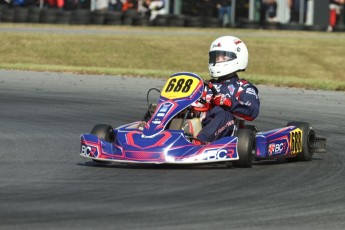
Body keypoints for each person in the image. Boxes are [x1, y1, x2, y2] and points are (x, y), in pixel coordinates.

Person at [195, 36, 260, 143]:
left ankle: (198, 143)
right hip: (200, 124)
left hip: (226, 130)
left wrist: (228, 103)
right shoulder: (205, 85)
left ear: (238, 58)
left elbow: (252, 111)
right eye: (215, 57)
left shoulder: (243, 87)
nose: (217, 60)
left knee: (225, 115)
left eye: (223, 57)